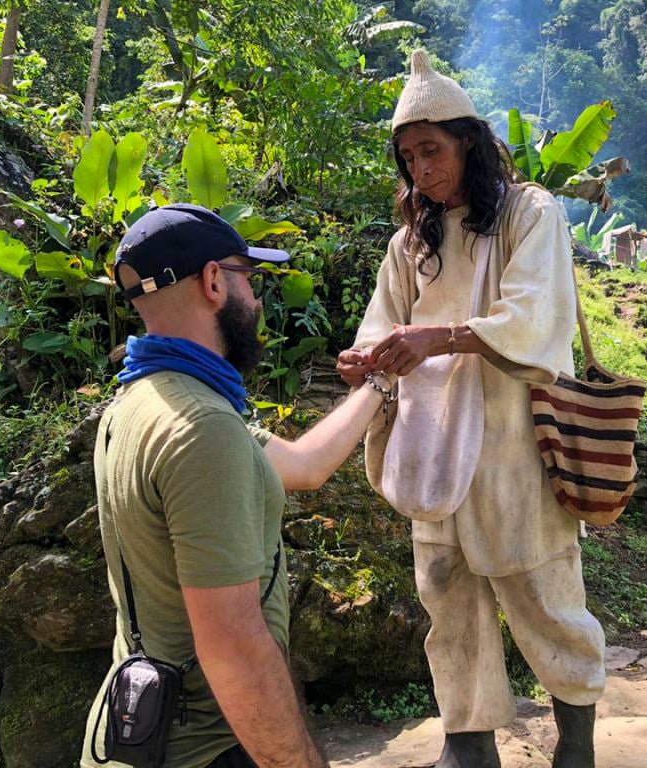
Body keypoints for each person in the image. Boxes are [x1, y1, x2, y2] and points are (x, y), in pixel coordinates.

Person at [337, 51, 606, 768]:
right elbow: (381, 324)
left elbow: (534, 319)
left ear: (468, 143)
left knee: (545, 595)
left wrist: (438, 338)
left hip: (513, 450)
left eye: (432, 150)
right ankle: (467, 744)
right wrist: (365, 358)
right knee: (446, 597)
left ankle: (576, 744)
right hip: (431, 447)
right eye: (408, 158)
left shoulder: (530, 213)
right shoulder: (410, 243)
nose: (420, 170)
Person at [80, 204, 396, 768]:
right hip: (212, 746)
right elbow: (236, 650)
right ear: (212, 281)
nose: (256, 300)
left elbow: (304, 465)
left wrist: (376, 383)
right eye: (247, 279)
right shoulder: (204, 429)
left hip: (139, 733)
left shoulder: (140, 401)